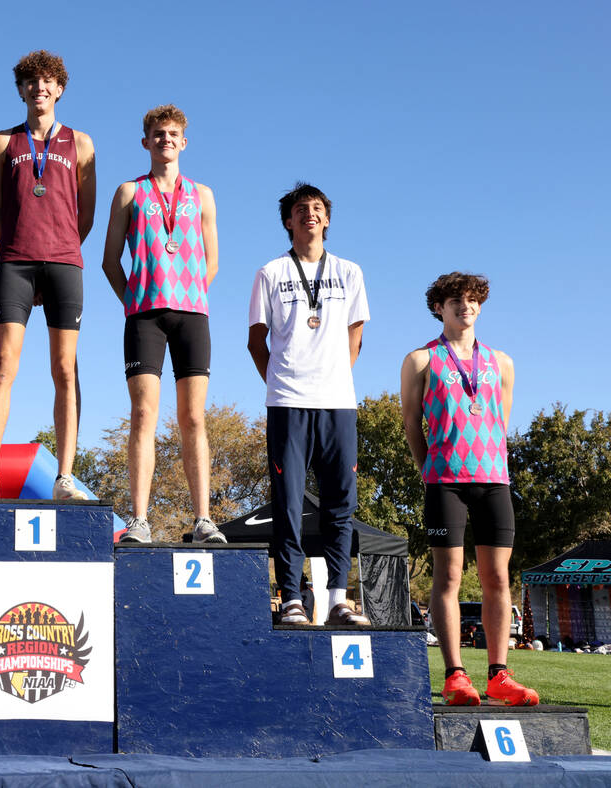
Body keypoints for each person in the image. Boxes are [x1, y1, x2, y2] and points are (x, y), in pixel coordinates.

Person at [400, 272, 538, 706]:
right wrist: (430, 470)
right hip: (445, 482)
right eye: (455, 300)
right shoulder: (421, 360)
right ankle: (455, 675)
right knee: (450, 579)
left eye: (473, 300)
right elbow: (410, 424)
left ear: (480, 307)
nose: (466, 306)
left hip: (494, 480)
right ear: (438, 307)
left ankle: (499, 674)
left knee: (498, 578)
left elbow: (501, 421)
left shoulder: (502, 363)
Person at [0, 50, 96, 500]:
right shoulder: (3, 142)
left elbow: (85, 215)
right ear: (21, 90)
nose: (39, 88)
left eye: (47, 82)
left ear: (59, 89)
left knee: (65, 368)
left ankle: (64, 476)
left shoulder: (81, 143)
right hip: (15, 262)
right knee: (4, 364)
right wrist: (22, 247)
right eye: (30, 82)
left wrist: (58, 249)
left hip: (64, 262)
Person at [247, 183, 370, 626]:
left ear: (328, 219)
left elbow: (355, 337)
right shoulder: (270, 272)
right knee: (288, 503)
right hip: (287, 404)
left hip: (338, 403)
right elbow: (256, 342)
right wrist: (285, 382)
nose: (310, 215)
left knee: (341, 503)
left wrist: (330, 378)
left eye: (318, 209)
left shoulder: (350, 272)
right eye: (301, 210)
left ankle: (338, 598)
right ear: (288, 221)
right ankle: (293, 597)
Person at [101, 104, 222, 544]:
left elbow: (211, 261)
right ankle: (139, 520)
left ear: (184, 142)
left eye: (173, 133)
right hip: (144, 317)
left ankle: (204, 519)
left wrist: (186, 291)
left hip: (192, 315)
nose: (165, 139)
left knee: (193, 417)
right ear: (145, 141)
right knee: (143, 414)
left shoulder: (203, 195)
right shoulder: (129, 193)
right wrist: (135, 300)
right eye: (157, 133)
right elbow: (110, 260)